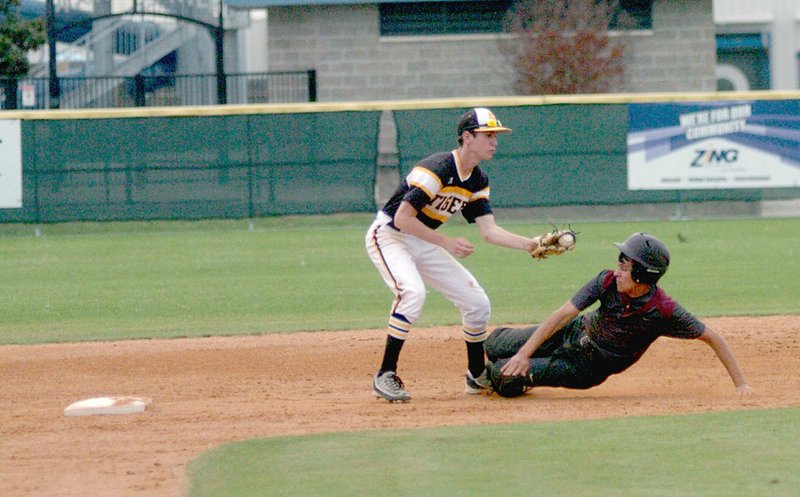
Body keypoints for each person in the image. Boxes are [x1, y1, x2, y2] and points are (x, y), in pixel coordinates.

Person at [365, 107, 540, 402]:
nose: (494, 141)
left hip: (423, 240)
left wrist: (531, 244)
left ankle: (476, 375)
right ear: (467, 137)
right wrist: (445, 241)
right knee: (412, 294)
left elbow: (489, 231)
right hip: (390, 236)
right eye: (488, 135)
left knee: (477, 303)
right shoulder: (437, 169)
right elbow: (402, 219)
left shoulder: (477, 180)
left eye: (496, 136)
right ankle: (385, 374)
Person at [484, 232, 754, 398]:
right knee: (494, 344)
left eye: (624, 268)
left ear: (642, 276)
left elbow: (713, 338)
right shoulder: (607, 281)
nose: (617, 271)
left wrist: (741, 385)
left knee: (503, 377)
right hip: (572, 332)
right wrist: (524, 353)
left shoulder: (663, 310)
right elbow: (563, 315)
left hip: (584, 369)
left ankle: (520, 374)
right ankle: (517, 359)